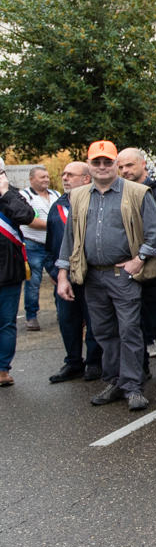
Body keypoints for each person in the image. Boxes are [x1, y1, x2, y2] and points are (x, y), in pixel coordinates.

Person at [55, 141, 156, 411]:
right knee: (103, 332)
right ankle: (116, 381)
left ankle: (133, 387)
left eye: (108, 162)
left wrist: (139, 259)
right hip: (92, 277)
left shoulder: (138, 192)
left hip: (123, 275)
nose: (103, 167)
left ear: (116, 163)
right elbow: (70, 238)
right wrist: (62, 275)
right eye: (97, 162)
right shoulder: (78, 195)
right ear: (90, 164)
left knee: (129, 329)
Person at [116, 147, 156, 382]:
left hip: (151, 266)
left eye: (129, 165)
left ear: (142, 164)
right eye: (120, 167)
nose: (124, 170)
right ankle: (140, 366)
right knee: (132, 322)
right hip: (124, 267)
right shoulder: (117, 191)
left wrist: (140, 256)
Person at [45, 162, 102, 383]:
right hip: (64, 276)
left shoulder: (97, 202)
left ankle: (95, 363)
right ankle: (73, 362)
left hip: (92, 276)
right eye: (64, 174)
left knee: (95, 321)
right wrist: (54, 271)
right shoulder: (57, 206)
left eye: (71, 174)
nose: (65, 178)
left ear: (86, 179)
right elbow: (50, 244)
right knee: (68, 321)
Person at [0, 163, 36, 386]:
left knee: (6, 322)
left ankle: (3, 369)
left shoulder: (12, 195)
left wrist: (5, 193)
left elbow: (26, 216)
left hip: (8, 271)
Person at [17, 165, 60, 331]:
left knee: (59, 279)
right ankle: (31, 317)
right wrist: (54, 224)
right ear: (31, 179)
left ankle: (61, 312)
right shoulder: (24, 196)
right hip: (33, 246)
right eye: (42, 177)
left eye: (47, 177)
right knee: (33, 283)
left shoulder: (56, 195)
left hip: (53, 245)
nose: (46, 180)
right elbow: (30, 221)